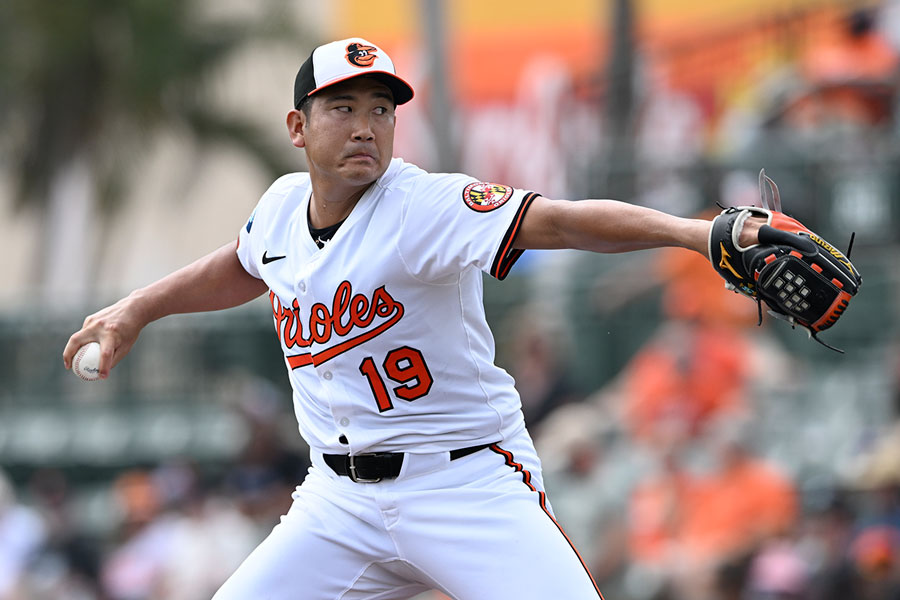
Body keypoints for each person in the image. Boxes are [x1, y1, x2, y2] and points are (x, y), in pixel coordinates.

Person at [63, 37, 764, 599]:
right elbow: (245, 263)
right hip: (337, 501)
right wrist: (138, 309)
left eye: (381, 109)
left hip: (462, 484)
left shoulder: (424, 206)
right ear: (297, 126)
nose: (367, 126)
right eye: (343, 108)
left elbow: (560, 221)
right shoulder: (278, 207)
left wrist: (696, 235)